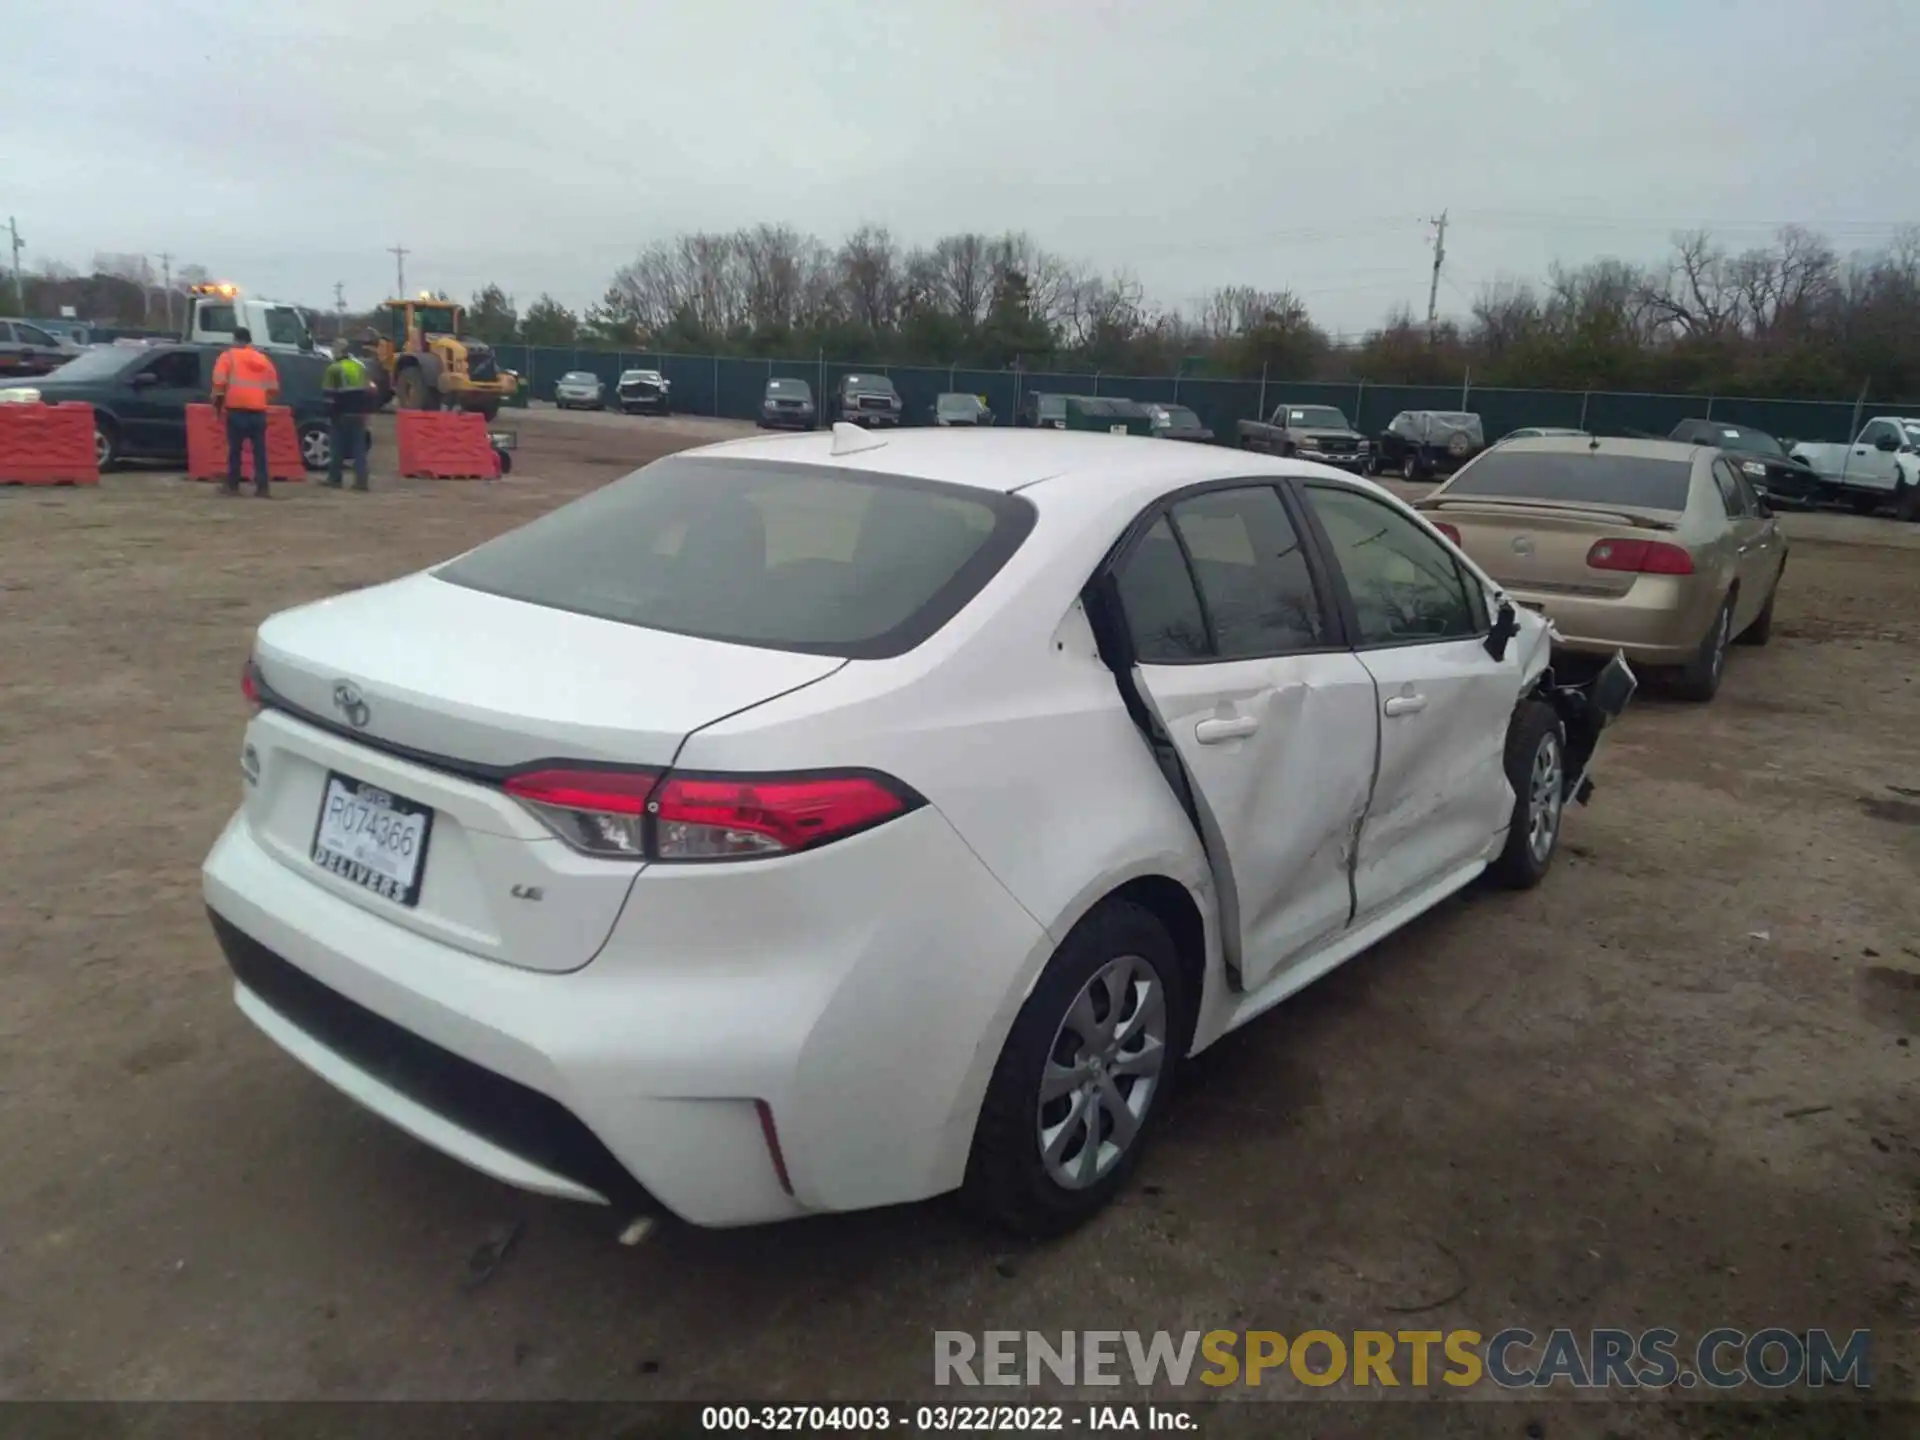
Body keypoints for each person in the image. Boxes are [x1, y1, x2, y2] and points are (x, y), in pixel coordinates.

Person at [210, 326, 280, 497]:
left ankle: (233, 486)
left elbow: (219, 382)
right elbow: (273, 388)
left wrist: (217, 405)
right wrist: (261, 400)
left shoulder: (228, 357)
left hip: (236, 410)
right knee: (260, 452)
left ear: (235, 339)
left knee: (235, 450)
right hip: (258, 411)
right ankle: (262, 488)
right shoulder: (263, 359)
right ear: (249, 341)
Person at [321, 338, 373, 491]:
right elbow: (368, 391)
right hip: (359, 413)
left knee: (337, 447)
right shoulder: (359, 367)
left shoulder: (334, 369)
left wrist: (329, 413)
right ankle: (361, 482)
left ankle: (335, 478)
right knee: (359, 449)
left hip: (341, 413)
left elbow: (328, 396)